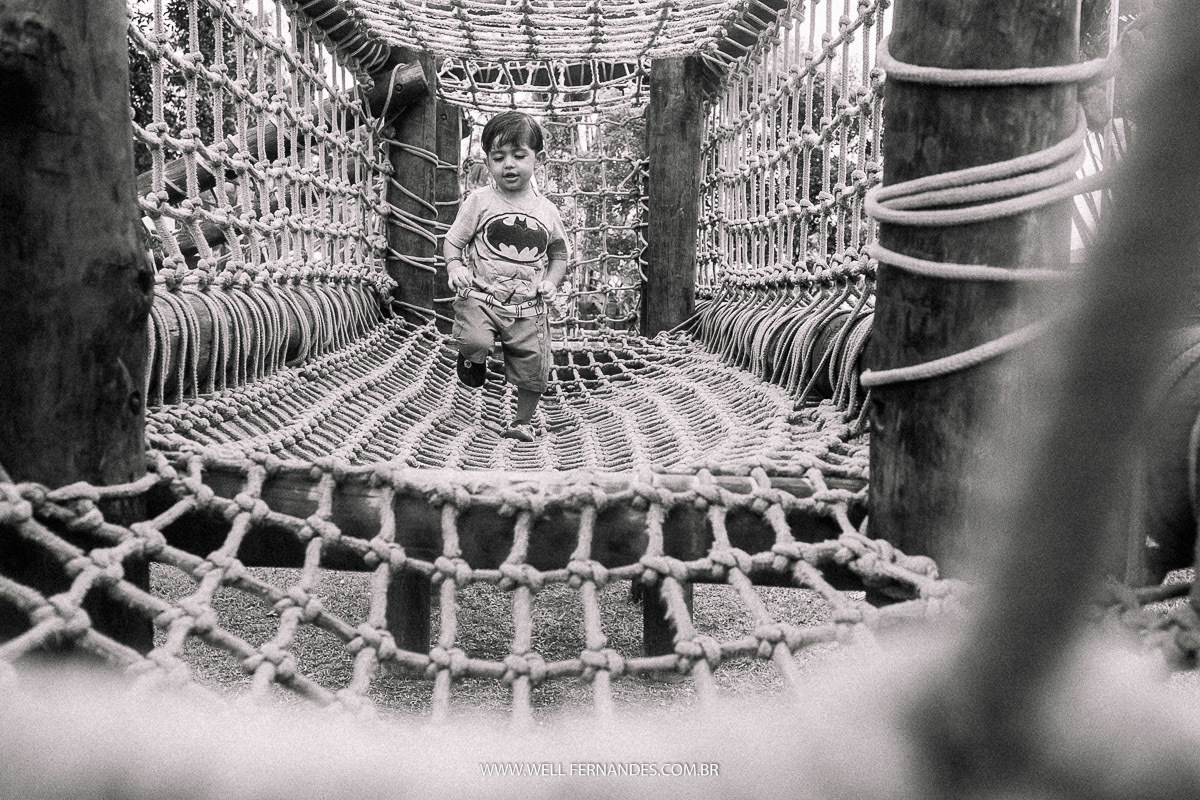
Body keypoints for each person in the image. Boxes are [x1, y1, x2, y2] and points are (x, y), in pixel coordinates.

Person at [444, 111, 569, 442]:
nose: (509, 165)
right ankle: (472, 359)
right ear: (488, 162)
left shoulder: (547, 211)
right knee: (475, 340)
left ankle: (522, 421)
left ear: (537, 159)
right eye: (498, 158)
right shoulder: (480, 201)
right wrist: (455, 267)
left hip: (527, 307)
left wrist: (551, 282)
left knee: (534, 369)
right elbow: (454, 241)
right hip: (481, 297)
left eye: (518, 155)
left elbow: (558, 253)